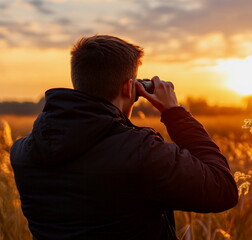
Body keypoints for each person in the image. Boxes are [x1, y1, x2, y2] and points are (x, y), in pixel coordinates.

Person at [10, 35, 238, 240]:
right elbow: (223, 190)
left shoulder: (23, 152)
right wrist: (175, 113)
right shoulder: (141, 152)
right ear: (131, 88)